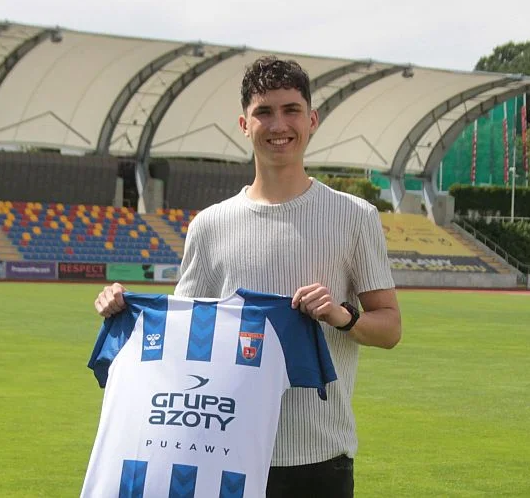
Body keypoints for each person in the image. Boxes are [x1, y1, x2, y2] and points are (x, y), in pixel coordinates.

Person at [94, 56, 401, 498]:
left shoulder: (355, 217)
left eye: (292, 110)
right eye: (264, 112)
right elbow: (182, 341)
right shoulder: (210, 224)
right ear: (244, 124)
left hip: (318, 458)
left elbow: (390, 328)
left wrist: (342, 316)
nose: (279, 125)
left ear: (312, 120)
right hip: (223, 457)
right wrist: (123, 311)